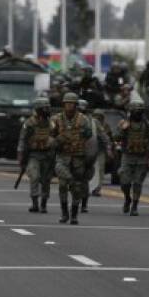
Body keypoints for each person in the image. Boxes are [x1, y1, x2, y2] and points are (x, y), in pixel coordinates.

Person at [49, 92, 92, 225]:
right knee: (63, 185)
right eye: (67, 103)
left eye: (72, 103)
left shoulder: (83, 119)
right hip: (63, 155)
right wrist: (58, 140)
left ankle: (73, 215)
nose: (69, 105)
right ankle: (64, 213)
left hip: (78, 157)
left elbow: (89, 135)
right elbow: (50, 137)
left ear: (76, 105)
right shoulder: (56, 119)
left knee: (77, 188)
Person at [114, 98, 149, 216]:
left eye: (140, 111)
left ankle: (135, 205)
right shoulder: (124, 123)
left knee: (137, 183)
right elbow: (116, 138)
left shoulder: (147, 125)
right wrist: (123, 129)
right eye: (135, 111)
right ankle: (127, 198)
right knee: (124, 181)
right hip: (127, 156)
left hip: (141, 157)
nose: (138, 113)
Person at [17, 97, 55, 214]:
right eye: (44, 108)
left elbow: (56, 136)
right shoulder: (29, 123)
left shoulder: (52, 123)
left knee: (46, 180)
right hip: (33, 154)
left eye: (47, 107)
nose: (46, 110)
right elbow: (22, 139)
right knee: (34, 177)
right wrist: (20, 154)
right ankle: (35, 203)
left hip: (48, 155)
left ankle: (44, 203)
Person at [89, 110, 112, 197]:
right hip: (89, 150)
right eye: (96, 115)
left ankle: (97, 189)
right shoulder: (88, 123)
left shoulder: (105, 126)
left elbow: (106, 137)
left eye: (100, 116)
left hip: (100, 150)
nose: (98, 117)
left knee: (100, 170)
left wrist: (109, 148)